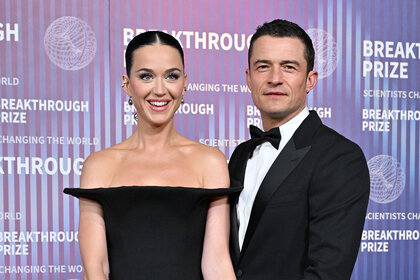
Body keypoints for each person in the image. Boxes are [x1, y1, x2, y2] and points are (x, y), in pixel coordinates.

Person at [64, 31, 240, 280]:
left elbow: (217, 263)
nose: (160, 89)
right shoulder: (100, 165)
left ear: (184, 82)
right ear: (127, 84)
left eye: (171, 76)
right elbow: (96, 269)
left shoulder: (210, 162)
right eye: (146, 76)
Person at [228, 19, 370, 279]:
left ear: (310, 80)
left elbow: (327, 272)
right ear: (248, 78)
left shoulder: (340, 158)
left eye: (288, 67)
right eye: (263, 67)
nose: (274, 79)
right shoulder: (240, 155)